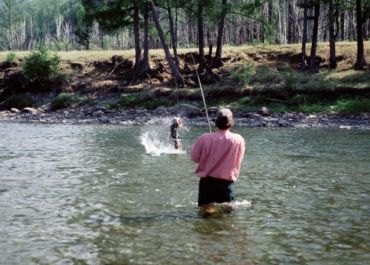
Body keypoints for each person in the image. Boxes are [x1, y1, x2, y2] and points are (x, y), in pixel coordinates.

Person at [190, 108, 245, 207]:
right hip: (227, 185)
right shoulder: (239, 139)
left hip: (207, 184)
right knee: (227, 216)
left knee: (206, 214)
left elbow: (194, 158)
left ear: (216, 122)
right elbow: (238, 161)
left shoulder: (205, 138)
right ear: (231, 122)